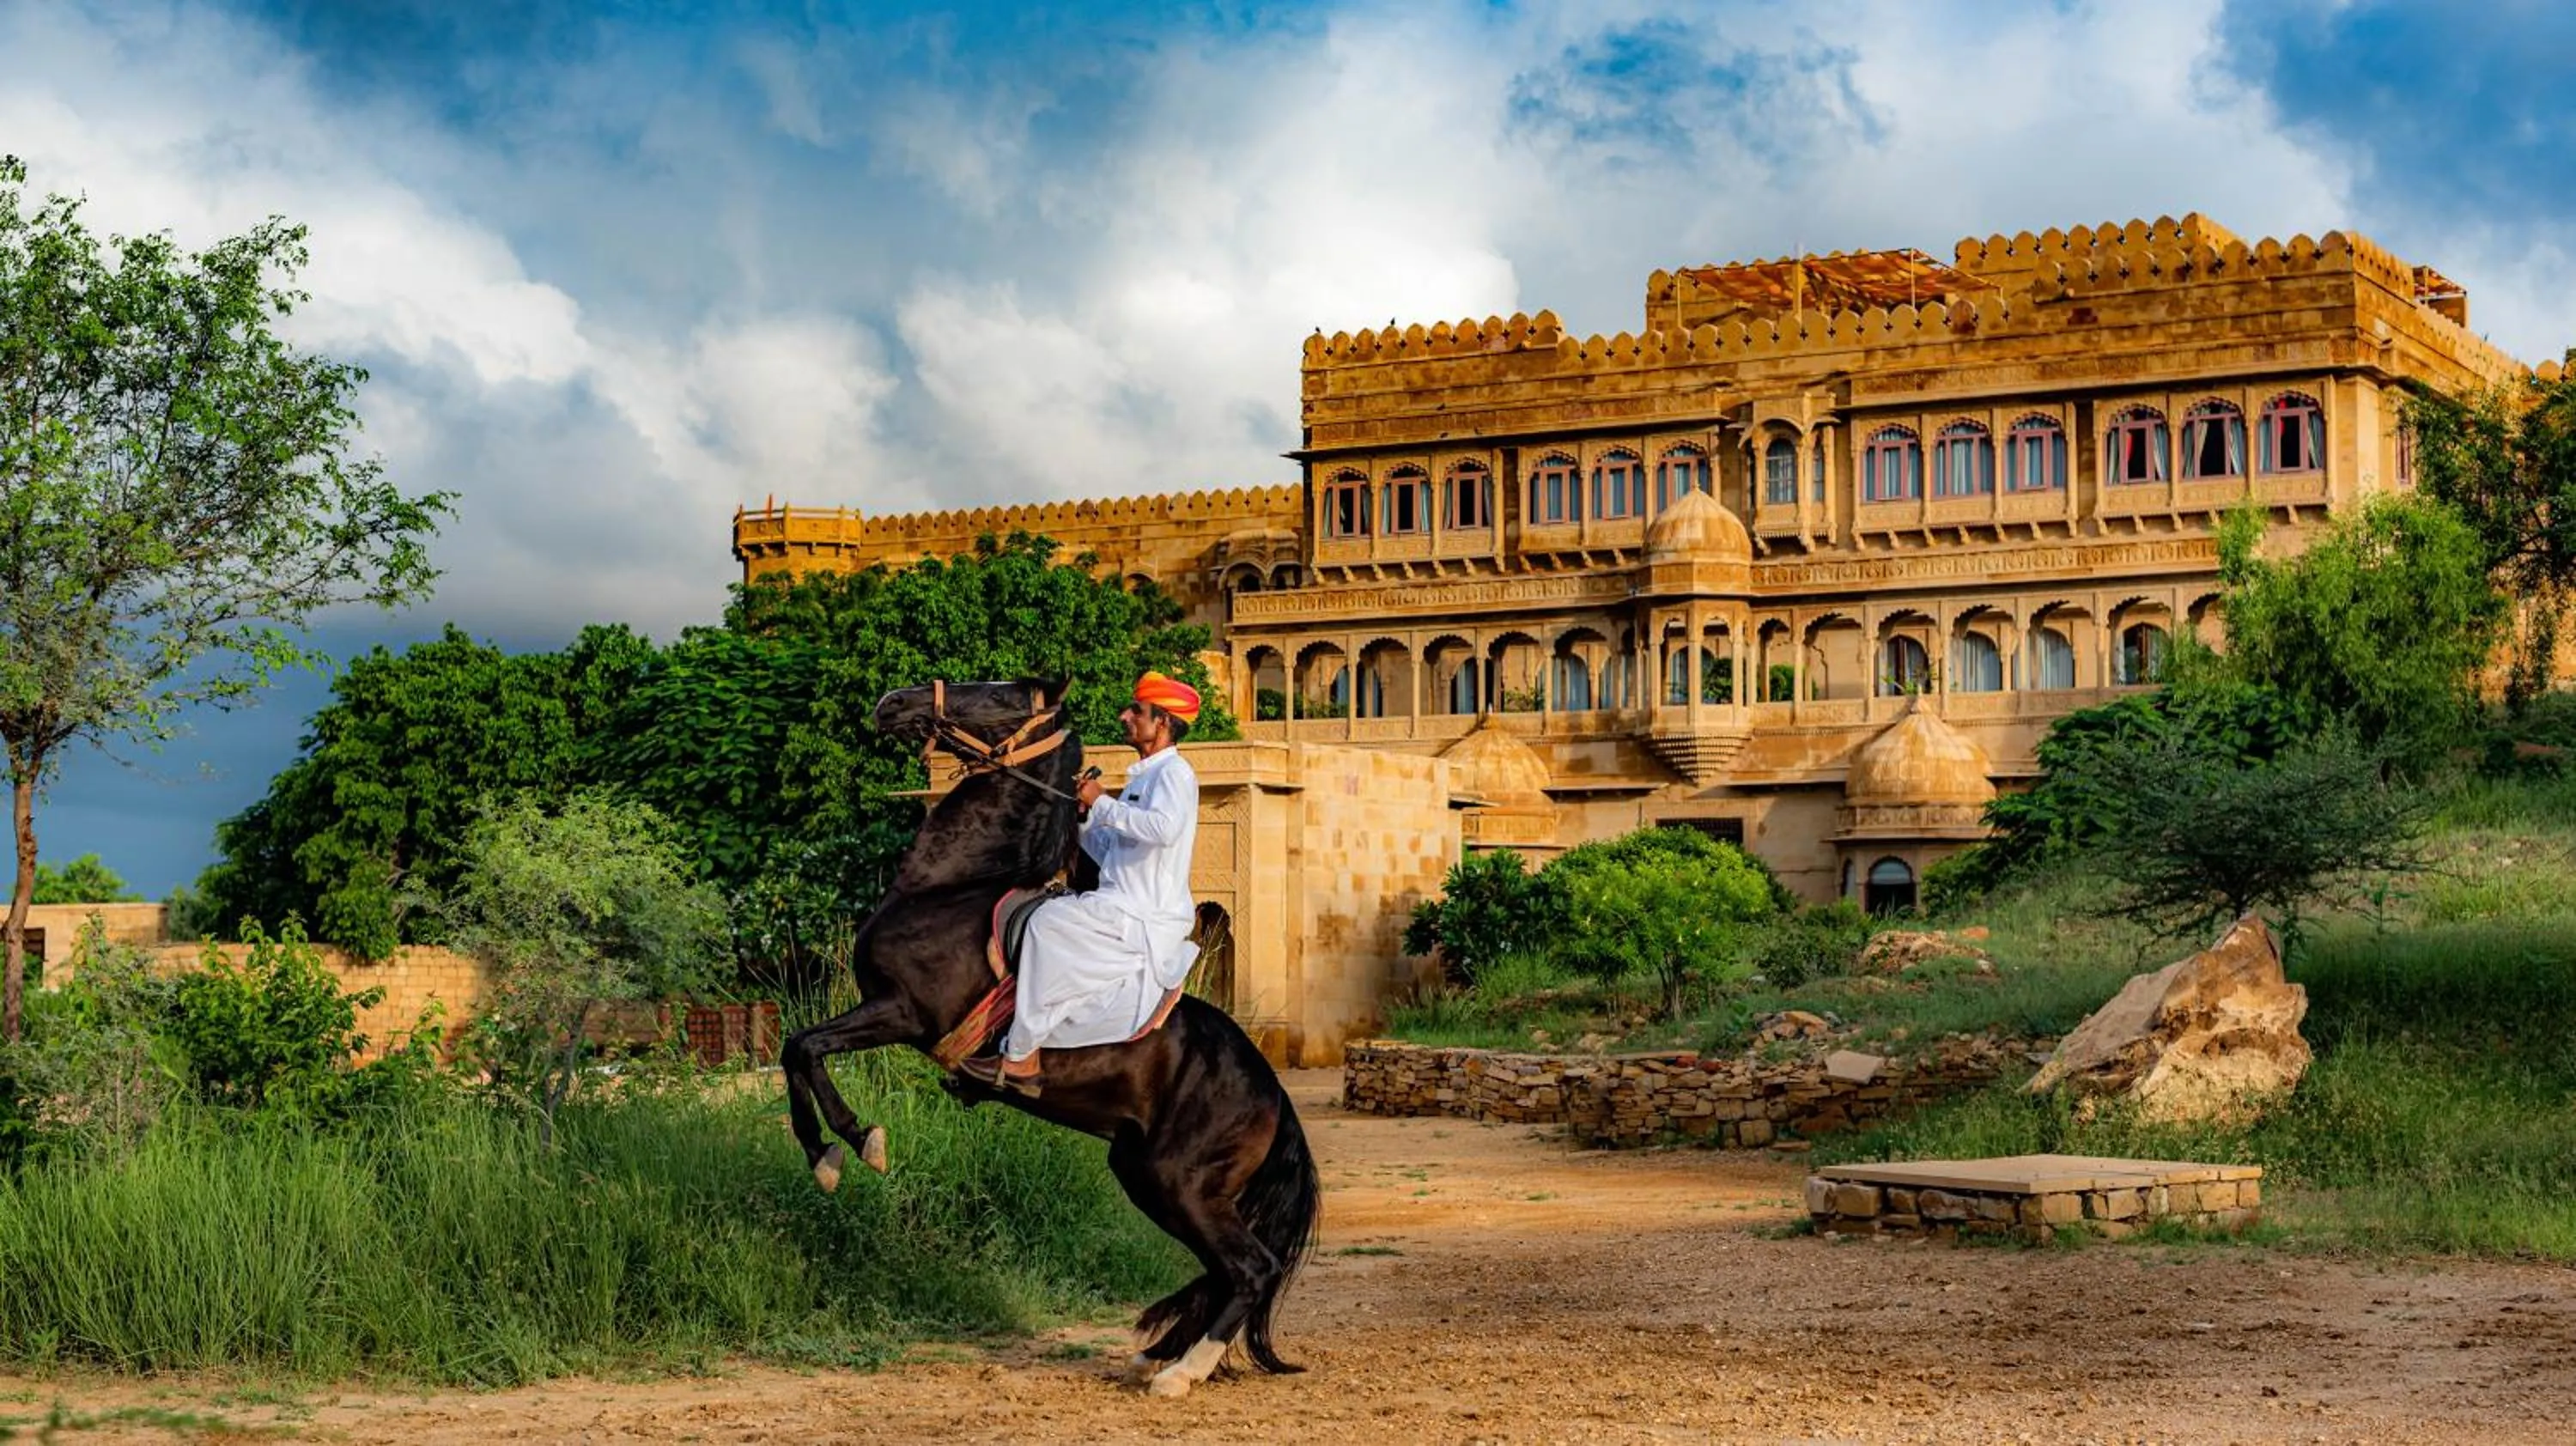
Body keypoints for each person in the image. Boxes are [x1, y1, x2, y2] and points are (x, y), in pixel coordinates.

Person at [961, 671, 1202, 1097]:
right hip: (1119, 901)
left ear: (1162, 722)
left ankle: (1021, 1055)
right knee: (1047, 914)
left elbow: (1163, 829)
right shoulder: (1144, 778)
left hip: (1142, 915)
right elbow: (1116, 850)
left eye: (1137, 711)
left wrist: (1102, 803)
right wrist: (1085, 815)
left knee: (1046, 925)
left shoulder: (1175, 774)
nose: (1125, 716)